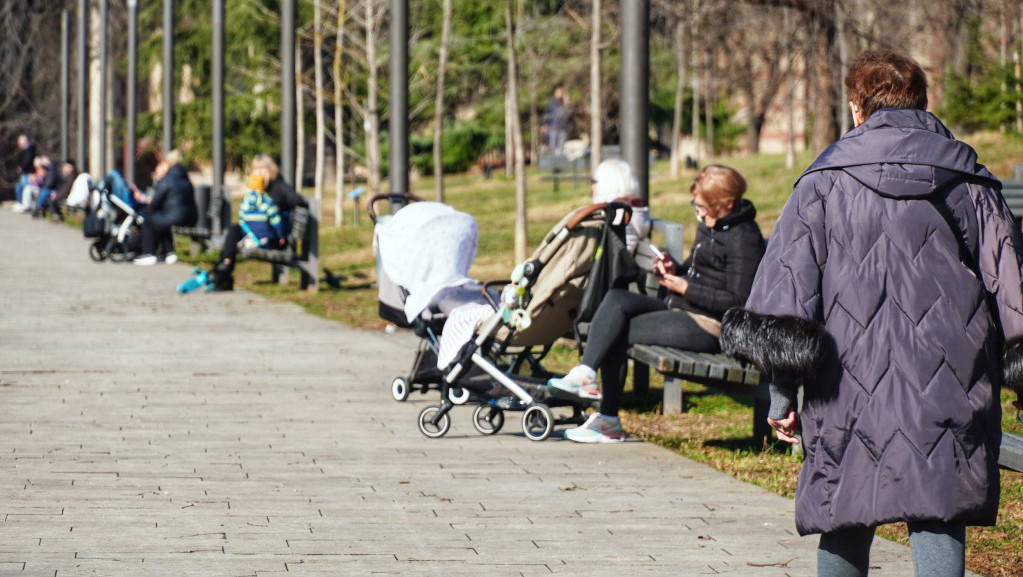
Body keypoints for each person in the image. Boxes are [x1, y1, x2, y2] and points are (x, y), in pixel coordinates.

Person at [719, 50, 1023, 577]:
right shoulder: (968, 179)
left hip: (846, 381)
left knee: (844, 508)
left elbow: (787, 296)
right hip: (948, 378)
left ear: (857, 109)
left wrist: (783, 393)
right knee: (939, 507)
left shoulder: (822, 181)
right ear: (922, 104)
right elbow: (1012, 283)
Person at [552, 164, 765, 443]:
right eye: (696, 206)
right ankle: (588, 377)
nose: (699, 213)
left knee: (616, 330)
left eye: (703, 207)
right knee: (616, 299)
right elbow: (697, 270)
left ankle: (608, 420)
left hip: (709, 325)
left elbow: (738, 302)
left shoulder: (743, 238)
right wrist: (675, 269)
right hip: (685, 306)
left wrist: (687, 287)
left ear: (725, 204)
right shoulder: (710, 225)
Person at [207, 154, 308, 291]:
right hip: (255, 233)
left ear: (270, 169)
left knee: (235, 235)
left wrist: (277, 206)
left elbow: (299, 201)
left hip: (273, 236)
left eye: (262, 169)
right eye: (256, 169)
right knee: (234, 230)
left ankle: (223, 273)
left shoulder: (279, 185)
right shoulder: (257, 189)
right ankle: (225, 267)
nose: (258, 173)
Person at [133, 150, 197, 265]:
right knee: (162, 221)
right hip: (191, 217)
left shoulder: (167, 179)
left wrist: (144, 202)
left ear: (168, 164)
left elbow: (155, 202)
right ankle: (170, 253)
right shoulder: (185, 177)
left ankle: (149, 253)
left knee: (150, 219)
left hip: (176, 217)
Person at [589, 158, 650, 254]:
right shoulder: (634, 210)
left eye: (594, 181)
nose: (592, 186)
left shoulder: (614, 213)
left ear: (607, 184)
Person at [541, 87, 569, 156]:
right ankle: (552, 163)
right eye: (559, 93)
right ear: (555, 94)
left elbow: (568, 115)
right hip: (553, 128)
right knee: (552, 147)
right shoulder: (551, 104)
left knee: (561, 148)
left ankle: (560, 164)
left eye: (561, 93)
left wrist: (567, 104)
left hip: (562, 129)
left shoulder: (565, 104)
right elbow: (546, 115)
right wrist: (544, 125)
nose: (561, 94)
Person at [13, 134, 36, 207]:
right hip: (25, 172)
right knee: (21, 186)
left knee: (24, 187)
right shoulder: (26, 150)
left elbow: (28, 160)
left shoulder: (30, 149)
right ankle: (20, 202)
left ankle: (22, 204)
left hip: (28, 172)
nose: (19, 145)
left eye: (20, 143)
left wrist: (22, 167)